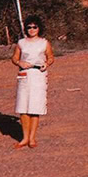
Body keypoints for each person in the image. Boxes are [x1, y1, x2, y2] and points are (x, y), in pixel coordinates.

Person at [11, 15, 54, 149]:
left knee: (35, 108)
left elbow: (51, 57)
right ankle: (24, 138)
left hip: (38, 75)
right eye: (29, 27)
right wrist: (19, 62)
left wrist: (46, 64)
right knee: (23, 108)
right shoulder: (21, 43)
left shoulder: (44, 43)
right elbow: (14, 58)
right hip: (24, 75)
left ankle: (32, 138)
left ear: (39, 28)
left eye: (34, 27)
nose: (32, 29)